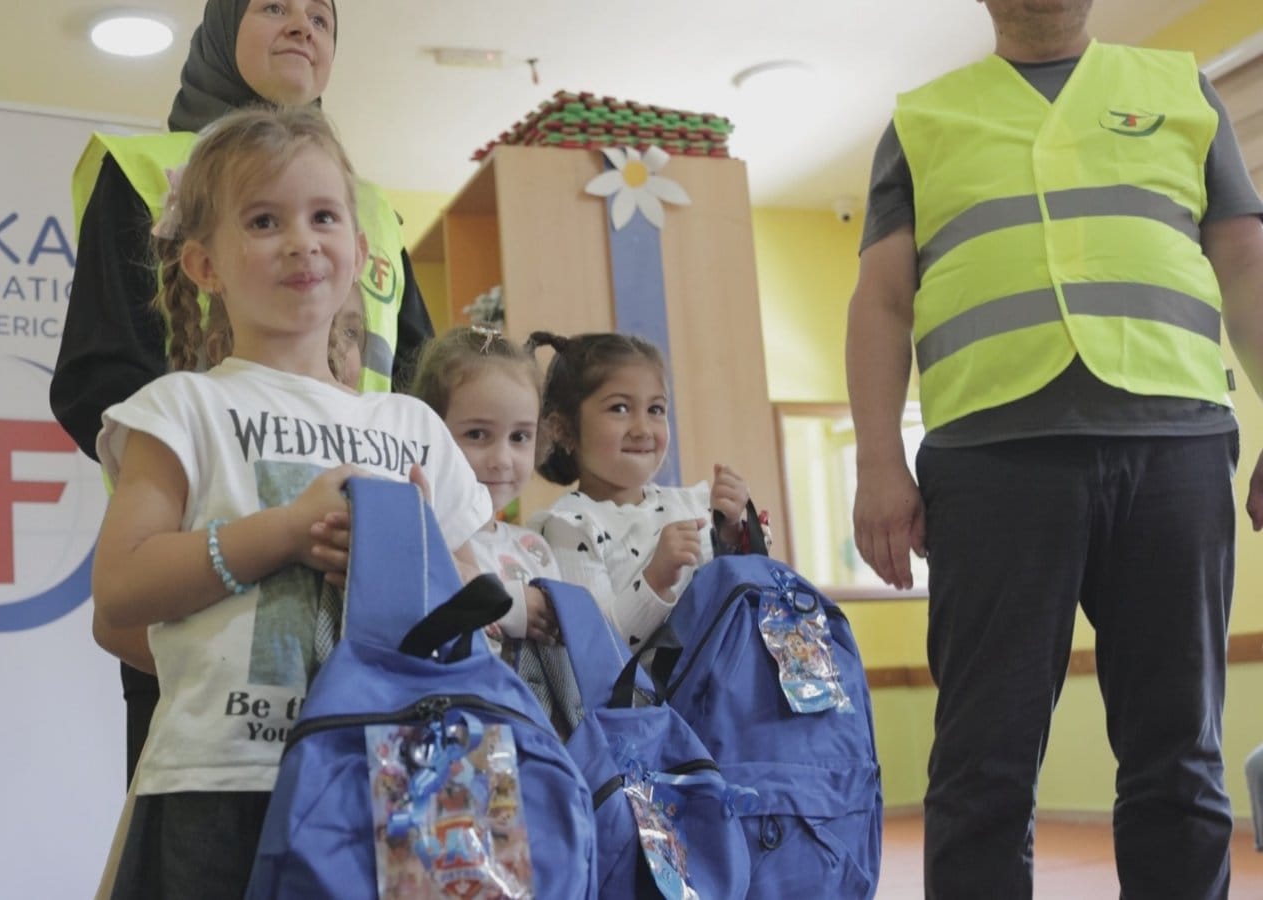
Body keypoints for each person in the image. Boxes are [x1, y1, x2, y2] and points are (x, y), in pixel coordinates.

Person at [845, 1, 1263, 897]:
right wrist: (877, 461)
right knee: (982, 764)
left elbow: (1245, 261)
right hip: (991, 460)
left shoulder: (1180, 88)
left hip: (1175, 449)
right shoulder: (922, 122)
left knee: (1179, 753)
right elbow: (881, 297)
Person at [88, 107, 490, 897]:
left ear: (361, 255)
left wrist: (412, 566)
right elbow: (121, 590)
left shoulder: (410, 423)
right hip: (225, 779)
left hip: (408, 771)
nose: (302, 240)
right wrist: (285, 532)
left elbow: (483, 611)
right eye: (265, 220)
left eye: (324, 216)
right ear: (204, 265)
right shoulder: (177, 408)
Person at [51, 0, 436, 783]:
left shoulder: (378, 218)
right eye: (275, 7)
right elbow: (100, 374)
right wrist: (234, 493)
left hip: (369, 607)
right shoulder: (142, 171)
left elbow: (424, 380)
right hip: (203, 589)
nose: (304, 26)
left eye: (323, 18)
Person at [525, 331, 766, 649]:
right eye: (620, 409)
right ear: (564, 429)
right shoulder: (570, 526)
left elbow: (743, 599)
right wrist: (655, 579)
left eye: (655, 410)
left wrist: (734, 533)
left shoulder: (691, 504)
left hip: (724, 690)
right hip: (646, 699)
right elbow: (597, 648)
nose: (642, 429)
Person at [410, 326, 561, 648]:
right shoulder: (427, 543)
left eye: (519, 437)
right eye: (477, 434)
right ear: (430, 434)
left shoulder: (536, 548)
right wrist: (510, 606)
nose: (502, 460)